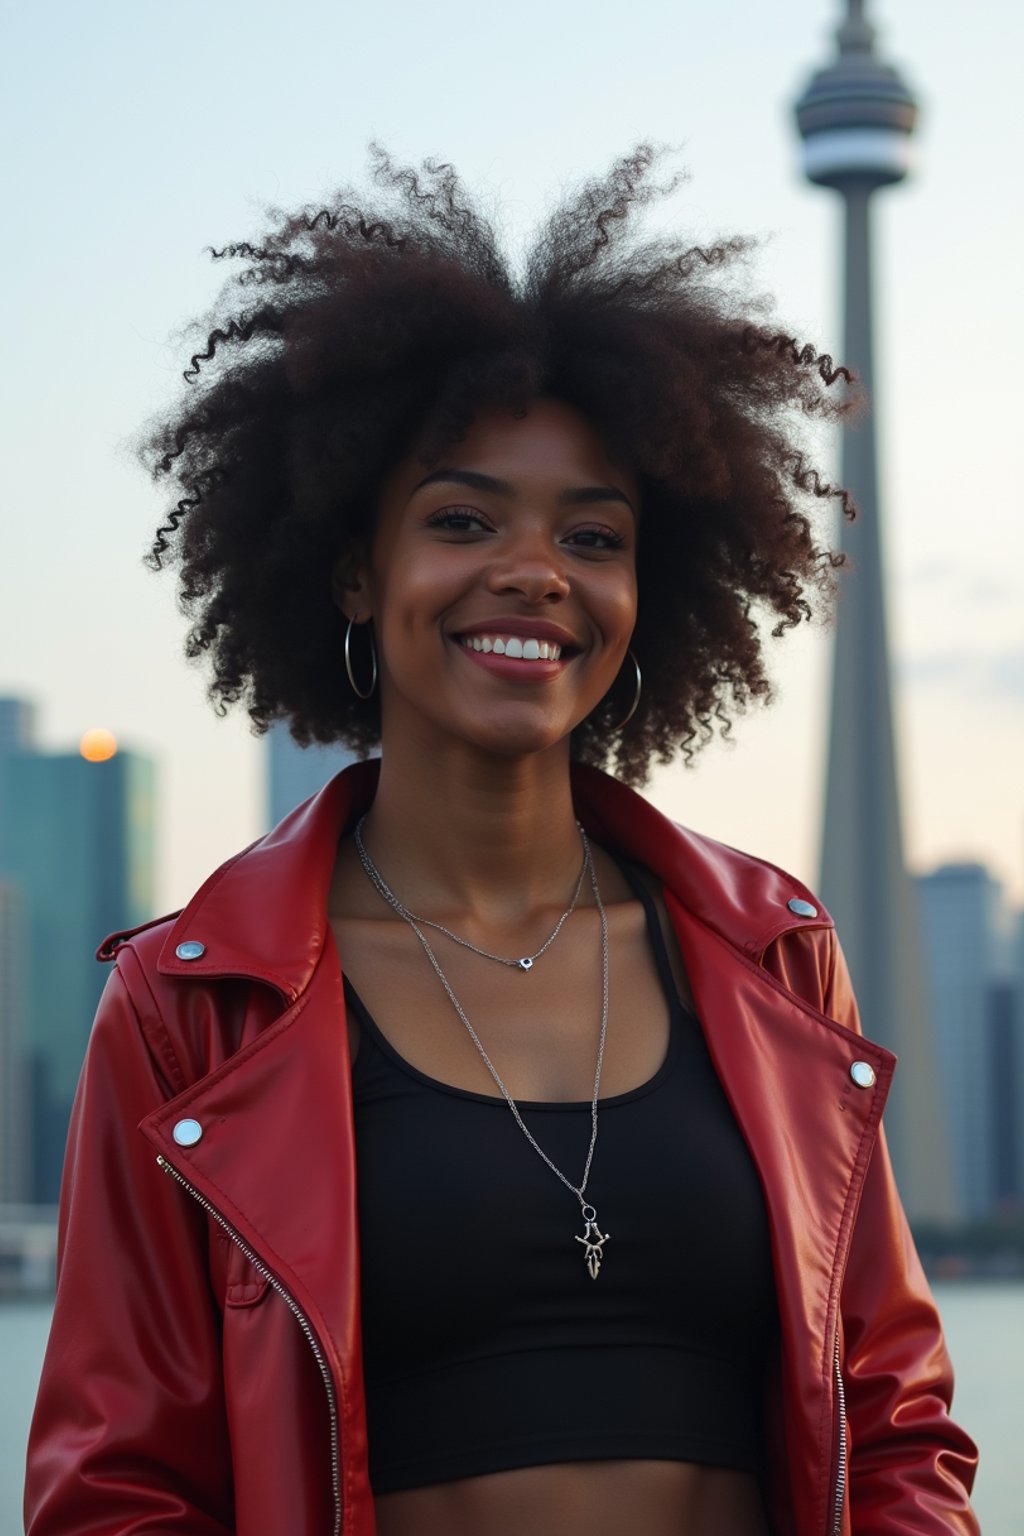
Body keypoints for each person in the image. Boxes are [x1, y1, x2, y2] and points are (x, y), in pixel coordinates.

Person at [25, 147, 978, 1536]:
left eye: (592, 535)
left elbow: (895, 1423)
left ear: (654, 588)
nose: (534, 569)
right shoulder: (189, 1010)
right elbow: (119, 1490)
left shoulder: (772, 951)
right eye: (464, 519)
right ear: (357, 570)